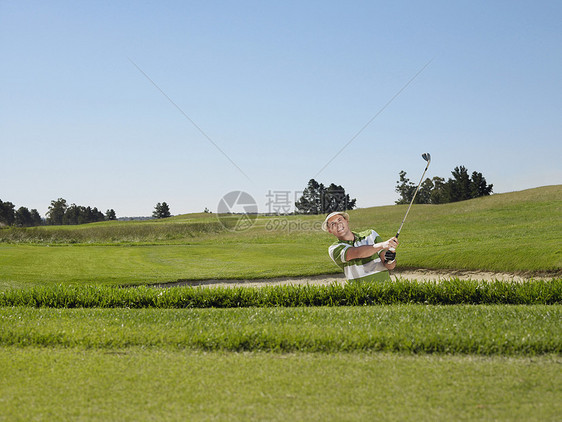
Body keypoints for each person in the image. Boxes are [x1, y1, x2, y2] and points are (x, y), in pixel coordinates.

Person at [322, 211, 398, 283]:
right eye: (333, 224)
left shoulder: (370, 234)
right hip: (360, 294)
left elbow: (390, 266)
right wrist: (382, 245)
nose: (338, 224)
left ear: (347, 221)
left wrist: (390, 259)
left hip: (386, 289)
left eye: (340, 220)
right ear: (329, 230)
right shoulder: (334, 248)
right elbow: (357, 252)